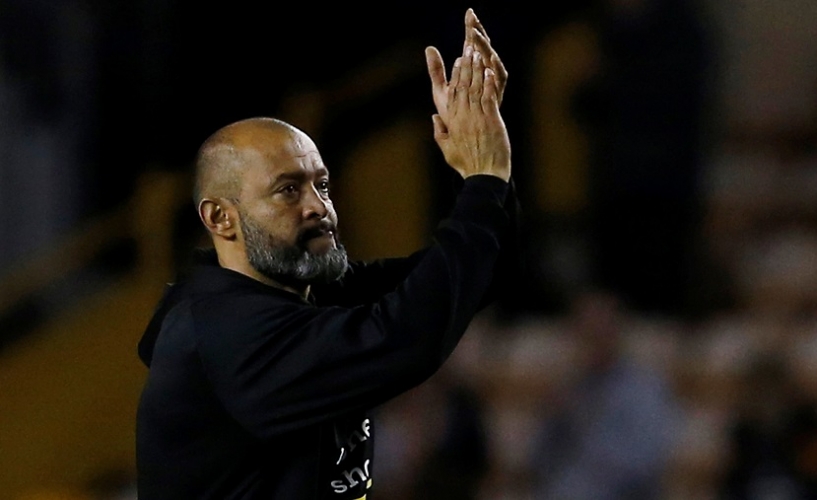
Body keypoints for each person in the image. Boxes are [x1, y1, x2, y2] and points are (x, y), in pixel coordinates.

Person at [135, 8, 519, 500]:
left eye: (322, 184)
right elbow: (407, 338)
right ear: (220, 218)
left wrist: (489, 159)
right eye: (288, 190)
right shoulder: (223, 333)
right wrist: (482, 180)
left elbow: (481, 274)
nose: (318, 206)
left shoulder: (306, 289)